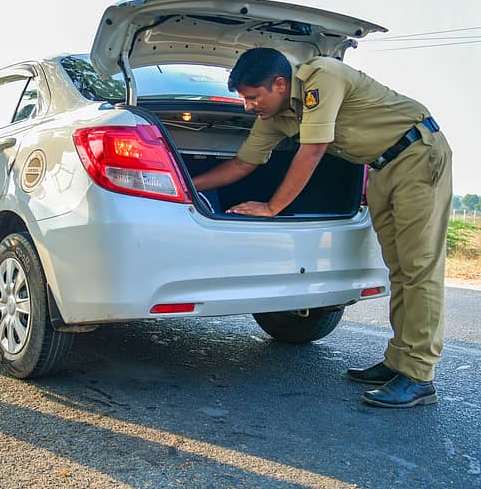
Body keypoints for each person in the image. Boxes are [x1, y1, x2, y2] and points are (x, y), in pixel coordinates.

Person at [192, 47, 452, 408]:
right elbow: (242, 164)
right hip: (380, 168)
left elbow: (313, 150)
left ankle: (419, 376)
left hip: (417, 155)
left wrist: (271, 208)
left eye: (253, 97)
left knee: (419, 269)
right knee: (401, 271)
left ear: (279, 84)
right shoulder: (273, 117)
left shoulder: (323, 77)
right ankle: (399, 362)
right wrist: (187, 186)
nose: (248, 107)